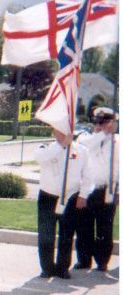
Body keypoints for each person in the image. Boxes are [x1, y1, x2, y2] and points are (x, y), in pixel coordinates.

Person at [34, 128, 89, 279]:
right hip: (48, 196)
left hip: (70, 197)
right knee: (46, 234)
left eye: (66, 131)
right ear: (53, 132)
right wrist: (61, 145)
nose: (62, 134)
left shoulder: (82, 151)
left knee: (67, 234)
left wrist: (83, 195)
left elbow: (88, 175)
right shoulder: (45, 148)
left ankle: (63, 267)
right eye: (59, 131)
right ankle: (47, 268)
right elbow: (40, 158)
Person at [74, 107, 118, 272]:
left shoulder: (117, 142)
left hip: (107, 189)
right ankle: (84, 260)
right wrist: (102, 134)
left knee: (105, 227)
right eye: (98, 123)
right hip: (87, 190)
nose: (100, 126)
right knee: (84, 227)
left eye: (105, 123)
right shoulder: (86, 139)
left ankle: (102, 261)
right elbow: (84, 145)